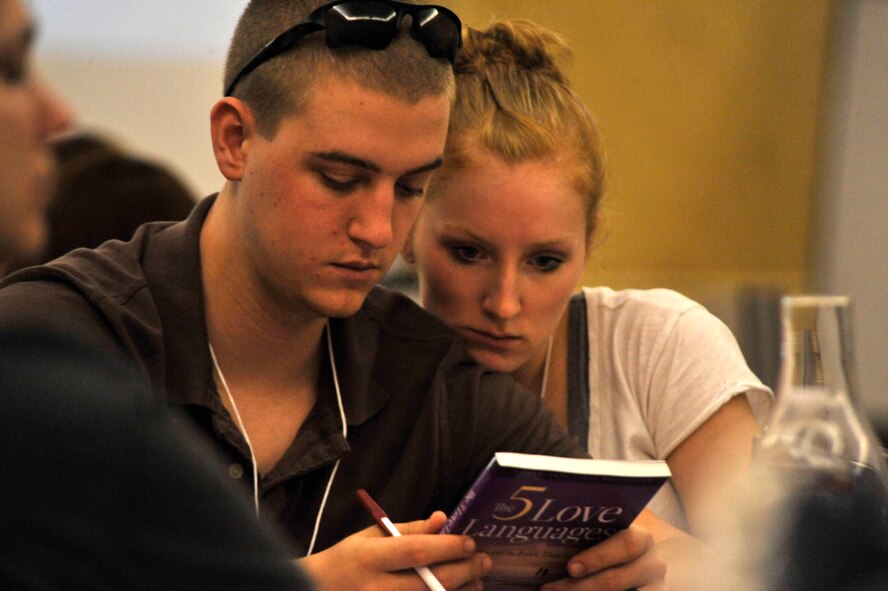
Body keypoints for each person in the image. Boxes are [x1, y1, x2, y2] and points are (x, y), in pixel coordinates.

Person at [0, 2, 707, 590]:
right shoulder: (56, 339)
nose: (377, 230)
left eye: (410, 189)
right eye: (340, 179)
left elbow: (695, 559)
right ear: (233, 140)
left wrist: (631, 564)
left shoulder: (429, 378)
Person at [403, 19, 773, 544]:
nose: (505, 303)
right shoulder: (358, 375)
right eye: (469, 253)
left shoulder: (661, 347)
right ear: (405, 225)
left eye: (545, 261)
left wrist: (650, 558)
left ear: (590, 239)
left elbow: (767, 571)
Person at [0, 0, 315, 588]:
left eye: (411, 186)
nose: (58, 113)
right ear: (234, 139)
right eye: (12, 69)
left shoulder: (435, 365)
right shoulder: (40, 375)